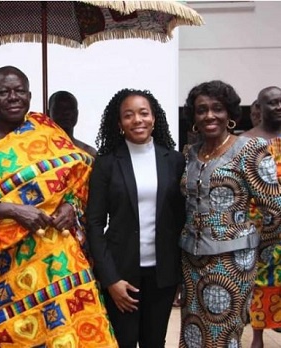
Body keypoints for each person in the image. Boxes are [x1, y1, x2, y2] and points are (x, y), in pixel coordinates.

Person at [0, 66, 118, 347]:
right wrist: (10, 209)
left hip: (54, 260)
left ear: (29, 95)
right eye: (3, 92)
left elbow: (77, 180)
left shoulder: (47, 130)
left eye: (18, 91)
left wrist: (71, 206)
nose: (12, 97)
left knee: (67, 334)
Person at [179, 80, 281, 348]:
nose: (209, 115)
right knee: (193, 331)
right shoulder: (190, 154)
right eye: (202, 110)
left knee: (224, 333)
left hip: (233, 262)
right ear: (194, 117)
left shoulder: (249, 149)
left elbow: (276, 208)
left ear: (230, 114)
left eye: (217, 108)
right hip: (192, 260)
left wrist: (255, 249)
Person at [86, 88, 185, 348]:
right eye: (128, 115)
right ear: (119, 124)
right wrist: (110, 280)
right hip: (122, 274)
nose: (137, 120)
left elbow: (181, 220)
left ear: (154, 118)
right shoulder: (106, 163)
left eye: (143, 113)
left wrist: (178, 276)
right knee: (124, 342)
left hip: (162, 274)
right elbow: (94, 223)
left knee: (154, 342)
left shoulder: (174, 161)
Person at [243, 86, 281, 347]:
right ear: (259, 107)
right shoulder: (246, 141)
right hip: (259, 229)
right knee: (260, 282)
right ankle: (257, 336)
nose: (278, 107)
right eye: (272, 103)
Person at [48, 90, 97, 157]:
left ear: (77, 113)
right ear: (48, 113)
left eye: (71, 109)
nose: (66, 113)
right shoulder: (38, 149)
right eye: (60, 108)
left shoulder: (89, 153)